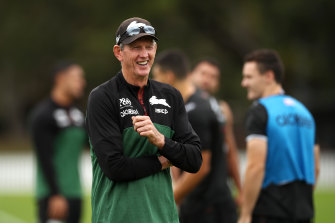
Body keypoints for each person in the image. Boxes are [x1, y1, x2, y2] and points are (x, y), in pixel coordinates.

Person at [85, 17, 202, 223]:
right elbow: (115, 167)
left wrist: (161, 141)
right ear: (118, 52)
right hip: (116, 217)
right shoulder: (102, 97)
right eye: (136, 47)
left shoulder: (171, 96)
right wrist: (161, 161)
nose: (144, 54)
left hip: (163, 217)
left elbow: (194, 160)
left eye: (149, 46)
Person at [152, 49, 237, 223]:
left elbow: (201, 166)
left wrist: (171, 199)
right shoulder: (199, 104)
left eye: (156, 77)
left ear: (169, 77)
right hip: (212, 201)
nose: (154, 84)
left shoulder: (195, 111)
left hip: (206, 207)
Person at [238, 49, 320, 223]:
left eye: (249, 77)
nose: (243, 83)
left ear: (268, 76)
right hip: (303, 211)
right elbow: (316, 167)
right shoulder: (304, 112)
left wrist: (245, 214)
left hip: (269, 210)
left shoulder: (260, 110)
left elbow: (255, 167)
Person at [30, 61, 87, 223]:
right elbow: (44, 157)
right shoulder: (43, 115)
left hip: (75, 193)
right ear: (60, 78)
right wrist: (55, 194)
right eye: (77, 78)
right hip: (53, 197)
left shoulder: (78, 115)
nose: (82, 82)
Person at [191, 58, 243, 206]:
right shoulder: (182, 105)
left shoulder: (222, 109)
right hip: (190, 192)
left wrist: (241, 189)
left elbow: (231, 150)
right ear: (191, 75)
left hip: (219, 191)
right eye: (203, 74)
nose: (207, 80)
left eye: (213, 77)